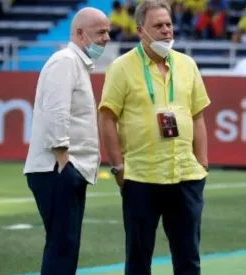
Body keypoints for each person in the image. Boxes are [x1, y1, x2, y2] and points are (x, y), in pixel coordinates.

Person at [98, 0, 210, 274]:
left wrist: (202, 164)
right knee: (138, 261)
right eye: (157, 26)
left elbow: (197, 116)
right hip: (141, 178)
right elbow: (106, 118)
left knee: (188, 261)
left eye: (168, 24)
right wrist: (118, 167)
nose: (166, 31)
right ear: (140, 30)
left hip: (185, 177)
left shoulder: (187, 65)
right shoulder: (121, 67)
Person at [23, 7, 110, 275]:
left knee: (65, 245)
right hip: (57, 168)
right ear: (80, 34)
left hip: (63, 169)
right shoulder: (65, 61)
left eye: (108, 31)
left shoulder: (75, 63)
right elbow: (56, 111)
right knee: (63, 246)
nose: (107, 38)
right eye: (101, 32)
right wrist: (64, 158)